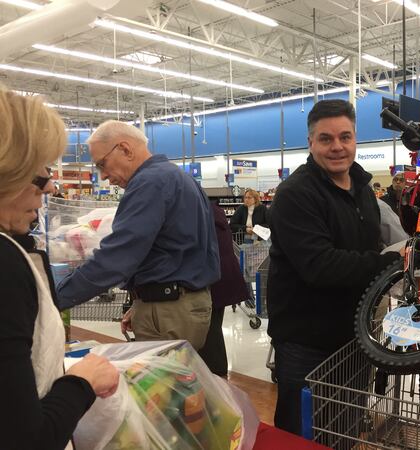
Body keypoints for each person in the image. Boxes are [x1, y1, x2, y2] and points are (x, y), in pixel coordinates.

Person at [266, 99, 400, 436]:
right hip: (305, 342)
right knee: (302, 434)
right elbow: (319, 265)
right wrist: (388, 263)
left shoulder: (362, 189)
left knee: (345, 429)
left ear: (355, 139)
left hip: (354, 337)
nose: (337, 146)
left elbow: (365, 247)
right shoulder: (296, 194)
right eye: (326, 139)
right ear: (311, 143)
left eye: (345, 136)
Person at [0, 88, 119, 450]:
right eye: (40, 173)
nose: (51, 185)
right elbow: (26, 438)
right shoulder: (6, 266)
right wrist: (82, 380)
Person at [56, 120, 220, 352]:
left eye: (102, 164)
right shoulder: (176, 176)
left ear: (125, 149)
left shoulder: (149, 183)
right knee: (173, 382)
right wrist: (145, 301)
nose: (103, 176)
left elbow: (116, 259)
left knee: (161, 387)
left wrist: (54, 298)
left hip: (169, 310)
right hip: (176, 304)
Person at [199, 203, 250, 376]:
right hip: (222, 276)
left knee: (209, 330)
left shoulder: (196, 212)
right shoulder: (212, 210)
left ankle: (216, 376)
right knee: (213, 327)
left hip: (211, 279)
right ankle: (217, 373)